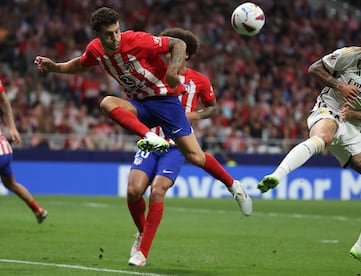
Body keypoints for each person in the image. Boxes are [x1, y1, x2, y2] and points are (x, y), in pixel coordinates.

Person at [34, 7, 252, 216]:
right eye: (109, 35)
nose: (115, 37)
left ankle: (234, 186)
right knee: (107, 102)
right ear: (97, 34)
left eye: (117, 31)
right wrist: (54, 67)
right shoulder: (95, 49)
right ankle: (149, 137)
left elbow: (178, 44)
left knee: (195, 156)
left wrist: (173, 71)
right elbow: (80, 65)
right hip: (140, 103)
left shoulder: (137, 40)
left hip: (165, 101)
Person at [257, 23, 361, 271]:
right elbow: (314, 69)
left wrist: (355, 113)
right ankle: (277, 175)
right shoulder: (350, 54)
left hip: (352, 127)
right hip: (326, 111)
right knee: (323, 136)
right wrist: (339, 86)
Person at [127, 27, 220, 267]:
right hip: (151, 140)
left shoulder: (199, 80)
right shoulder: (151, 71)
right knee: (133, 191)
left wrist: (193, 116)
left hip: (176, 145)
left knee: (157, 191)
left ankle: (142, 253)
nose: (168, 52)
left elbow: (213, 107)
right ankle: (141, 232)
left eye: (175, 49)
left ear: (185, 54)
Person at [0, 80, 48, 224]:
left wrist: (13, 128)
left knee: (11, 184)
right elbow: (4, 101)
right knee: (11, 184)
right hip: (4, 148)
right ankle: (38, 210)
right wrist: (12, 128)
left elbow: (4, 101)